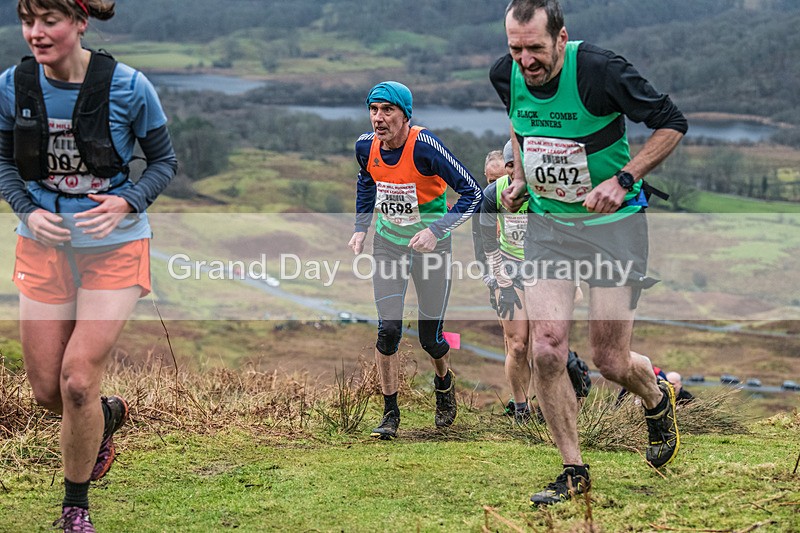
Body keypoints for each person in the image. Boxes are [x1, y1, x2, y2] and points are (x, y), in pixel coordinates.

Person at [491, 0, 687, 505]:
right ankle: (573, 470)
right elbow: (520, 123)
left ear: (560, 38)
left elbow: (671, 122)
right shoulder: (505, 74)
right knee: (547, 349)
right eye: (515, 49)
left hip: (613, 230)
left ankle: (655, 396)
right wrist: (519, 179)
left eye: (534, 48)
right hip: (549, 229)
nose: (524, 62)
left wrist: (624, 179)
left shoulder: (600, 70)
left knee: (609, 360)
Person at [0, 1, 177, 530]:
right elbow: (4, 161)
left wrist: (128, 201)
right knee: (48, 393)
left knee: (78, 381)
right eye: (27, 20)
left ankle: (74, 508)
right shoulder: (13, 85)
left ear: (79, 23)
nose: (35, 32)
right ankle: (107, 417)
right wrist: (27, 211)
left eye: (48, 20)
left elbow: (163, 161)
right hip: (44, 247)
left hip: (115, 248)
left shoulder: (128, 86)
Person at [348, 81, 482, 440]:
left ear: (405, 115)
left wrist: (436, 231)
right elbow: (367, 180)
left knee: (431, 338)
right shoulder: (365, 146)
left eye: (387, 110)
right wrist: (362, 227)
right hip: (389, 245)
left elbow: (473, 193)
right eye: (374, 110)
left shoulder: (424, 147)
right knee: (388, 329)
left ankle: (443, 384)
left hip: (431, 250)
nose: (379, 118)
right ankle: (390, 413)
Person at [474, 141, 591, 422]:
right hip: (509, 269)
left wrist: (573, 281)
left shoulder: (546, 192)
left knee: (545, 344)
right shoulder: (494, 193)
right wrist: (497, 279)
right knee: (517, 344)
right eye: (510, 165)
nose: (515, 171)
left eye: (519, 165)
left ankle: (553, 405)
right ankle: (521, 408)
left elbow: (569, 239)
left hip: (546, 269)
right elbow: (487, 240)